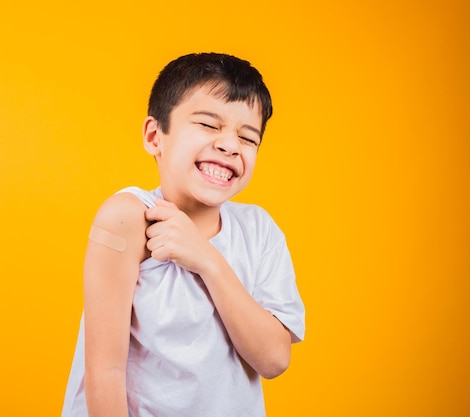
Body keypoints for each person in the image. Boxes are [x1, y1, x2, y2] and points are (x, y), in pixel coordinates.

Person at [61, 52, 305, 417]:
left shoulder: (260, 230)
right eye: (208, 125)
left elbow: (273, 359)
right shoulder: (128, 217)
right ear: (154, 136)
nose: (230, 145)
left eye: (248, 137)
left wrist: (206, 259)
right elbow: (104, 371)